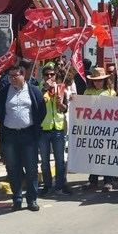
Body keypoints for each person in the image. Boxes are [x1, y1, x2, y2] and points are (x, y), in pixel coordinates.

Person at [0, 65, 46, 212]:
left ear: (23, 75)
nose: (12, 78)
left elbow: (41, 111)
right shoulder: (3, 92)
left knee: (31, 168)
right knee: (12, 168)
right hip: (10, 135)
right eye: (10, 76)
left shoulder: (34, 91)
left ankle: (32, 199)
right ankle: (17, 199)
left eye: (15, 75)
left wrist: (32, 126)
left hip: (28, 135)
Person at [38, 66, 72, 196]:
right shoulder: (39, 89)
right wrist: (44, 89)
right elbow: (37, 104)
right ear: (43, 76)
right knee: (45, 161)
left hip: (58, 128)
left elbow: (64, 109)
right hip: (44, 128)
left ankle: (60, 185)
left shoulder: (61, 88)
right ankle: (47, 185)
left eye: (52, 74)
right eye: (47, 74)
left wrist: (61, 104)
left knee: (59, 160)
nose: (49, 77)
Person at [83, 67, 117, 191]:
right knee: (93, 154)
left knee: (106, 154)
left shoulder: (110, 92)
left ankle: (108, 181)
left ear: (104, 80)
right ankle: (93, 180)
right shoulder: (87, 92)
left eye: (100, 80)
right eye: (96, 80)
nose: (98, 82)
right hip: (92, 128)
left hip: (107, 128)